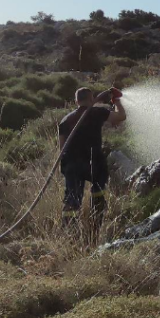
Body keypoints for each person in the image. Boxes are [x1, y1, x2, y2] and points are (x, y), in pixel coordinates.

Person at [58, 86, 126, 227]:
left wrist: (66, 168)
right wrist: (117, 101)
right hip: (93, 162)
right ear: (91, 99)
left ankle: (69, 233)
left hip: (72, 164)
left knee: (72, 200)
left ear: (76, 101)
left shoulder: (65, 119)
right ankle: (95, 226)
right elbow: (121, 117)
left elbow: (62, 149)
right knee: (98, 193)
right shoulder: (97, 112)